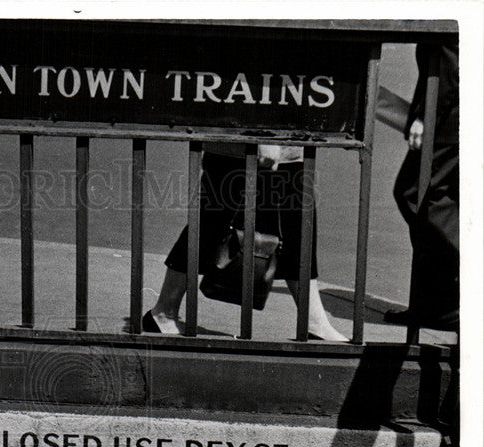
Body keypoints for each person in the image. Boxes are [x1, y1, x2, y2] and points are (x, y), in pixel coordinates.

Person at [144, 144, 348, 342]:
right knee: (213, 224)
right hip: (248, 144)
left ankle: (315, 321)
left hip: (283, 144)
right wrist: (265, 138)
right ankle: (164, 312)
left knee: (296, 225)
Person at [385, 43, 459, 332]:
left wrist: (425, 114)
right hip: (450, 113)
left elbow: (449, 63)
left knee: (421, 196)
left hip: (448, 118)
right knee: (426, 198)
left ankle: (444, 303)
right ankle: (438, 305)